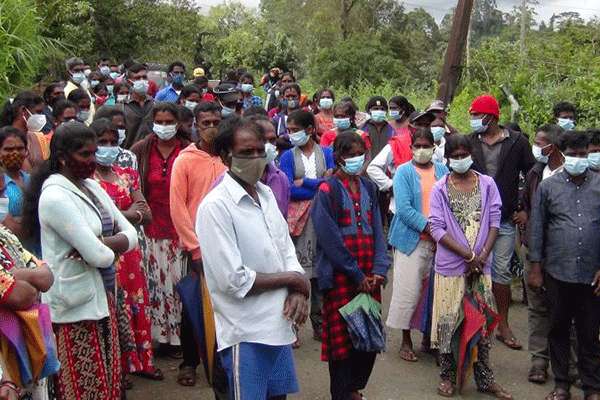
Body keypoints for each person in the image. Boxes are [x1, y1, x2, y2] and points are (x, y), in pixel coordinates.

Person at [23, 121, 138, 400]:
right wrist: (107, 247)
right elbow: (99, 256)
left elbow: (131, 234)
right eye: (85, 154)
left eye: (93, 153)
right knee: (85, 389)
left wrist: (103, 243)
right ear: (63, 157)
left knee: (109, 384)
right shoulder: (55, 196)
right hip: (75, 310)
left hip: (103, 298)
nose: (92, 160)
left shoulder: (91, 186)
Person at [196, 116, 309, 400]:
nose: (257, 158)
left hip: (278, 325)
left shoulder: (266, 194)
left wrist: (297, 287)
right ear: (226, 156)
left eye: (260, 150)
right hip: (245, 332)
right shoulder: (215, 206)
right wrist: (293, 279)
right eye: (246, 152)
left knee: (276, 397)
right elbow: (233, 280)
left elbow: (286, 250)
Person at [429, 134, 512, 399]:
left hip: (481, 265)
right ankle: (447, 376)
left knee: (482, 323)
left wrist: (482, 255)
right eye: (455, 156)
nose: (460, 159)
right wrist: (468, 256)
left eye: (464, 154)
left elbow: (495, 221)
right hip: (451, 265)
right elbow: (437, 228)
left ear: (472, 155)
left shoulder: (487, 184)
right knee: (448, 321)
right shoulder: (440, 188)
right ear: (448, 159)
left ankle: (485, 379)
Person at [311, 131, 390, 400]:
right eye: (350, 154)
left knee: (368, 338)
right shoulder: (327, 190)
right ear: (338, 157)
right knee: (342, 344)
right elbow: (329, 239)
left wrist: (380, 268)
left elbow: (378, 229)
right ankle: (342, 394)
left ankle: (354, 389)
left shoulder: (369, 187)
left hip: (369, 274)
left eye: (360, 154)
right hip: (341, 277)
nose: (357, 159)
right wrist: (355, 274)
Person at [528, 130, 600, 400]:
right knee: (557, 328)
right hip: (557, 271)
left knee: (589, 332)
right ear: (563, 154)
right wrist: (536, 268)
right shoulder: (548, 187)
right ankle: (561, 385)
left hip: (591, 274)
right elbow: (537, 229)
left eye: (583, 154)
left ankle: (592, 387)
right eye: (573, 154)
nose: (578, 159)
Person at [90, 118, 162, 382]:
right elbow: (95, 220)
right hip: (106, 252)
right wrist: (128, 213)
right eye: (102, 142)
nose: (108, 147)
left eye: (112, 142)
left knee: (136, 303)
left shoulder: (127, 174)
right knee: (113, 306)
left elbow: (146, 213)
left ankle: (141, 361)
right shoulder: (88, 180)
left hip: (131, 253)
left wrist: (119, 214)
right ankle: (118, 368)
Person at [467, 94, 535, 351]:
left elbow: (532, 175)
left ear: (491, 117)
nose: (473, 120)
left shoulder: (517, 142)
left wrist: (524, 208)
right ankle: (474, 323)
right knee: (473, 268)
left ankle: (503, 324)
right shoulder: (470, 141)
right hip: (474, 218)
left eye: (476, 115)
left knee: (501, 272)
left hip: (505, 218)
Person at [169, 101, 227, 387]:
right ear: (195, 125)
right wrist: (194, 247)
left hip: (226, 244)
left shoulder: (229, 156)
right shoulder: (185, 160)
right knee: (192, 305)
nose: (212, 128)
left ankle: (221, 362)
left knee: (226, 303)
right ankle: (189, 363)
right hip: (197, 247)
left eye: (216, 122)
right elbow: (178, 206)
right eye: (206, 123)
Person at [386, 128, 449, 362]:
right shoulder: (403, 172)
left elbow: (448, 203)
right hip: (410, 240)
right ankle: (405, 340)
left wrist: (442, 233)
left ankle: (429, 338)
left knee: (433, 293)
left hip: (439, 242)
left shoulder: (443, 171)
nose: (422, 150)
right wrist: (430, 228)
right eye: (418, 145)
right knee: (408, 290)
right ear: (411, 147)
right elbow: (403, 209)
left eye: (426, 145)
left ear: (434, 147)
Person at [130, 103, 190, 350]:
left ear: (178, 123)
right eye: (160, 122)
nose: (164, 127)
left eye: (169, 122)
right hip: (150, 231)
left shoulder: (188, 151)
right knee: (154, 284)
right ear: (153, 123)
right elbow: (131, 184)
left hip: (180, 230)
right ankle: (159, 338)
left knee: (178, 286)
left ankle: (180, 340)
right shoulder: (141, 150)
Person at [515, 124, 565, 384]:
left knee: (565, 309)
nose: (535, 147)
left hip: (562, 253)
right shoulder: (536, 172)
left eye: (539, 143)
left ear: (552, 147)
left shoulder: (570, 174)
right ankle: (539, 360)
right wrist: (524, 214)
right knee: (537, 308)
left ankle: (570, 365)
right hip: (534, 249)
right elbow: (525, 203)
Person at [279, 110, 334, 343]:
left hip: (323, 217)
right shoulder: (287, 156)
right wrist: (320, 185)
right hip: (299, 221)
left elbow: (332, 183)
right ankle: (292, 326)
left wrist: (308, 182)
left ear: (310, 130)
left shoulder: (327, 153)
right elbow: (289, 189)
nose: (291, 134)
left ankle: (319, 323)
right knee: (297, 272)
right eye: (289, 130)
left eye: (295, 130)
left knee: (319, 274)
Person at [247, 114, 290, 217]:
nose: (268, 145)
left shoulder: (281, 178)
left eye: (272, 140)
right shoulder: (229, 181)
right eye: (262, 140)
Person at [0, 91, 49, 171]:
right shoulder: (4, 138)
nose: (41, 116)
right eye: (38, 112)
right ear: (23, 110)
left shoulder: (37, 137)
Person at [0, 127, 30, 240]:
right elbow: (10, 229)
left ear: (26, 151)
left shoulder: (31, 180)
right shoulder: (1, 185)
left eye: (20, 148)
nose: (15, 153)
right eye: (8, 149)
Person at [122, 63, 155, 148]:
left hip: (151, 151)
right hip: (130, 151)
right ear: (129, 82)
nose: (142, 80)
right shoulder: (122, 106)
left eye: (144, 77)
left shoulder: (155, 104)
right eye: (137, 78)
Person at [360, 96, 394, 161]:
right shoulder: (362, 129)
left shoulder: (392, 129)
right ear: (369, 111)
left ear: (386, 112)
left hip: (387, 165)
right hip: (368, 165)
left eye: (382, 109)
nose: (379, 111)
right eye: (375, 109)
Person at [63, 57, 95, 124]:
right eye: (76, 70)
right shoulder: (67, 91)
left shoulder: (84, 87)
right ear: (68, 72)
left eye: (82, 70)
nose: (80, 72)